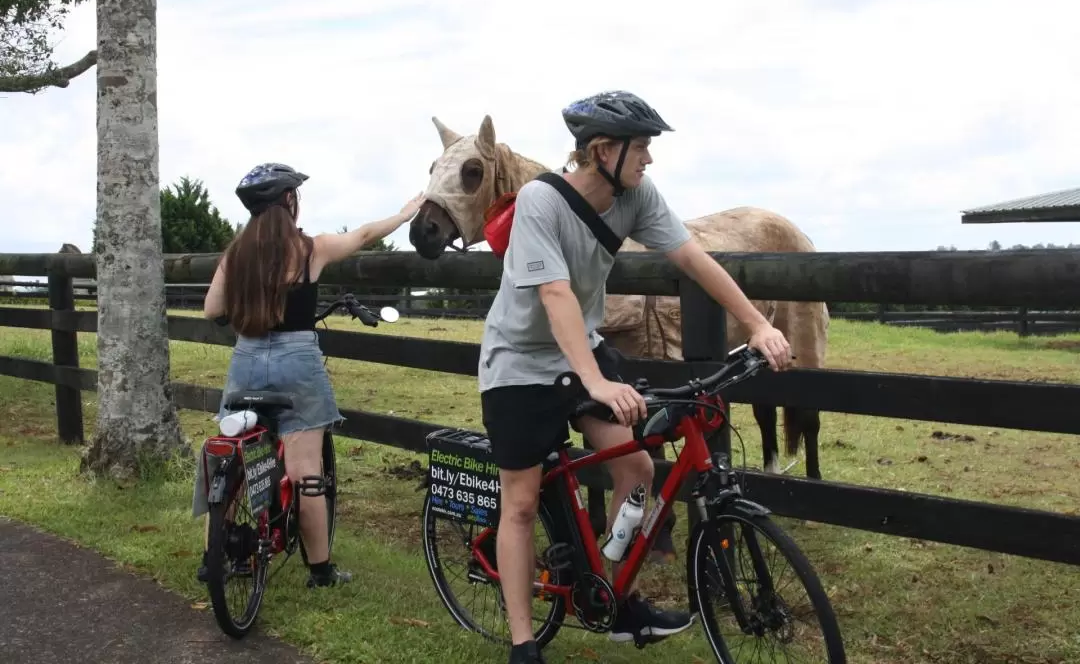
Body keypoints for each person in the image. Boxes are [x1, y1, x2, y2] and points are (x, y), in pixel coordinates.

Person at [477, 91, 794, 664]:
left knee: (638, 468)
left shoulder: (636, 196)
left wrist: (755, 323)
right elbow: (554, 295)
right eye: (641, 147)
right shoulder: (539, 203)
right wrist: (595, 382)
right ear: (602, 151)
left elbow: (694, 259)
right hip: (520, 362)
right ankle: (523, 644)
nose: (649, 159)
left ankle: (614, 597)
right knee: (520, 502)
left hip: (583, 353)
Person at [195, 162, 424, 588]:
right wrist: (406, 212)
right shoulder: (310, 249)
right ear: (288, 201)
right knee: (306, 472)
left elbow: (211, 310)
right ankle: (321, 571)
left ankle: (214, 557)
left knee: (235, 457)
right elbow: (364, 236)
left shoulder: (236, 254)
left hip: (246, 358)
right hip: (296, 362)